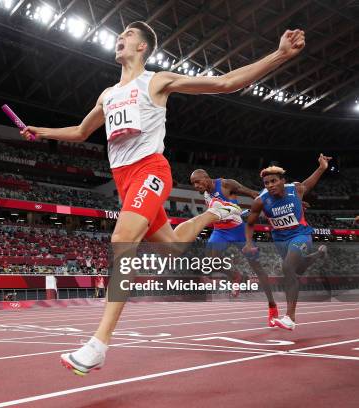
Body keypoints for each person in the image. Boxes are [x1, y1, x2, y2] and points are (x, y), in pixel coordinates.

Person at [20, 21, 305, 375]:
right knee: (170, 244)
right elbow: (81, 131)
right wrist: (40, 130)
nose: (120, 37)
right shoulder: (107, 95)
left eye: (127, 34)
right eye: (120, 34)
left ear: (142, 47)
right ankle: (213, 214)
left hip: (151, 170)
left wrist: (279, 54)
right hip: (124, 180)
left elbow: (226, 82)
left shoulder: (156, 81)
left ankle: (98, 345)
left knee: (123, 239)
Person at [244, 154, 330, 331]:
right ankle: (320, 253)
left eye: (274, 181)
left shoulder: (296, 189)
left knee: (288, 267)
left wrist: (321, 168)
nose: (270, 186)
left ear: (283, 180)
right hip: (280, 239)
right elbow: (250, 223)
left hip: (300, 235)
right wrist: (249, 243)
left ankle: (290, 317)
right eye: (266, 183)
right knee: (297, 269)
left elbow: (310, 182)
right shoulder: (261, 200)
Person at [190, 169, 278, 323]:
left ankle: (272, 305)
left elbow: (253, 194)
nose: (196, 186)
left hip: (238, 231)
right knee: (208, 263)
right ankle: (235, 276)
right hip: (220, 232)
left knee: (257, 267)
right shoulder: (204, 192)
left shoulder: (226, 184)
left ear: (206, 177)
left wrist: (273, 206)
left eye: (197, 182)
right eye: (193, 184)